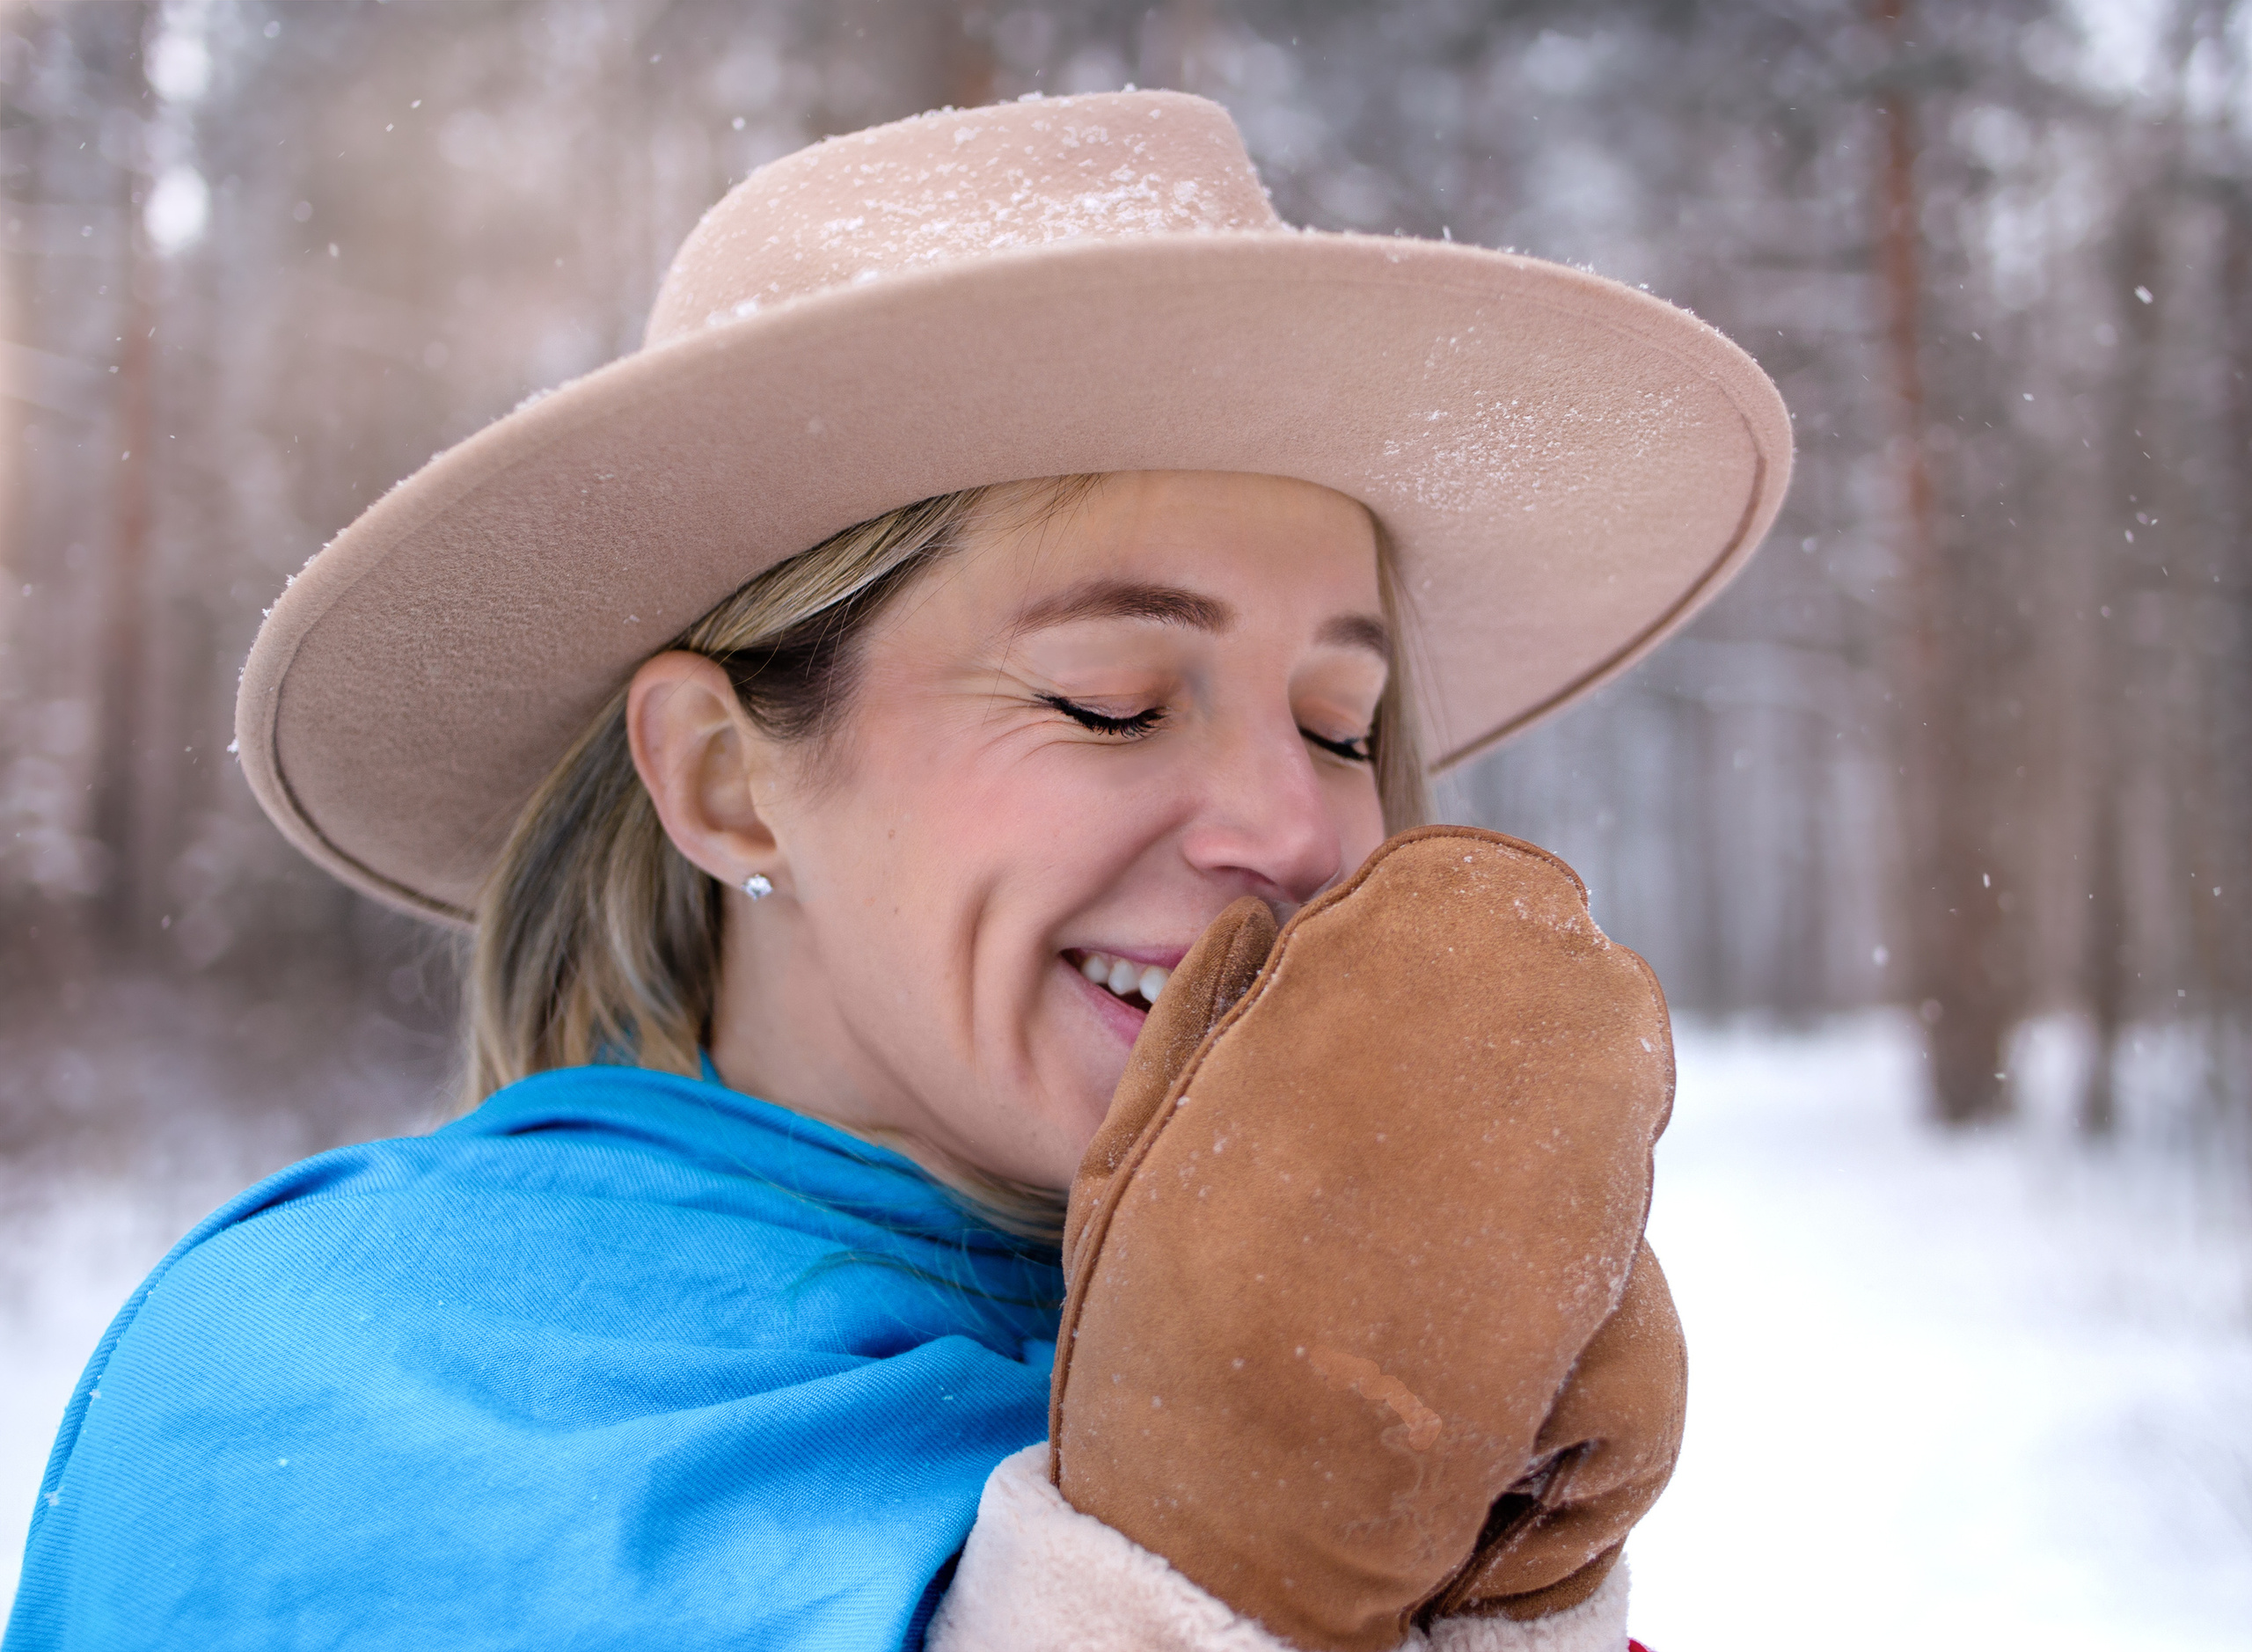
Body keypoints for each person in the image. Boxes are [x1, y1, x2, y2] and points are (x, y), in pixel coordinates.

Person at [4, 91, 1788, 1652]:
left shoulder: (1364, 1388)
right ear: (725, 783)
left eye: (1339, 726)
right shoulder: (325, 1388)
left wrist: (1506, 1604)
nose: (1295, 829)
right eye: (1108, 702)